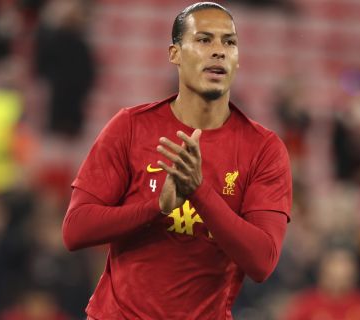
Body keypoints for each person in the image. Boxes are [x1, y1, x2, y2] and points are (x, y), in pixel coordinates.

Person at [62, 2, 292, 319]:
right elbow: (75, 230)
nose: (219, 51)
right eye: (204, 39)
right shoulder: (130, 126)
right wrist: (157, 207)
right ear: (175, 54)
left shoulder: (263, 149)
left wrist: (198, 192)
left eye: (230, 42)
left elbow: (262, 261)